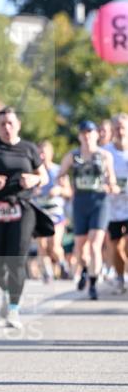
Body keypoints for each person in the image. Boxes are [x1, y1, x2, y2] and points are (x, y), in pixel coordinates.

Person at [0, 107, 50, 328]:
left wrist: (34, 180)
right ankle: (5, 290)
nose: (6, 127)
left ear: (18, 125)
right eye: (2, 124)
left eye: (10, 123)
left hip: (22, 208)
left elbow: (44, 176)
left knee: (17, 258)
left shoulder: (28, 148)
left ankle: (14, 308)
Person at [58, 120, 118, 300]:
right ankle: (84, 269)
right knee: (80, 246)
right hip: (80, 202)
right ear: (79, 136)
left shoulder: (105, 156)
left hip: (99, 201)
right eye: (83, 132)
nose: (87, 136)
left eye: (90, 132)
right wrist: (64, 184)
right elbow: (61, 175)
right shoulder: (72, 156)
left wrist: (112, 187)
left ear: (96, 134)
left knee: (95, 244)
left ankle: (93, 284)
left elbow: (112, 179)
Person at [34, 140, 70, 282]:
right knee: (42, 245)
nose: (42, 156)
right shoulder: (34, 172)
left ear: (51, 154)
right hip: (40, 212)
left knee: (54, 245)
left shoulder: (59, 171)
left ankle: (62, 265)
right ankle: (47, 273)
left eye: (44, 152)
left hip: (55, 212)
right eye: (39, 153)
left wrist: (60, 190)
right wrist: (34, 192)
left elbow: (69, 192)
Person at [105, 113, 128, 294]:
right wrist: (108, 185)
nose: (120, 131)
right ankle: (120, 278)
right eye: (117, 128)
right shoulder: (106, 152)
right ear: (112, 130)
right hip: (113, 208)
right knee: (116, 247)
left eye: (123, 127)